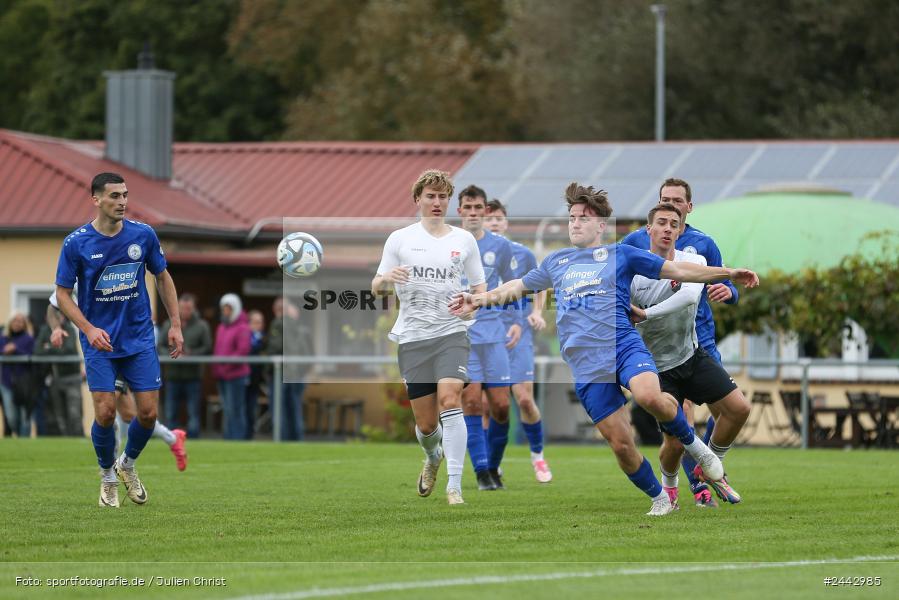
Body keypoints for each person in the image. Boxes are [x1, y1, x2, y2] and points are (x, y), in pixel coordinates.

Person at [450, 182, 759, 516]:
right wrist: (478, 298)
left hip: (623, 345)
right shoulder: (557, 261)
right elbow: (517, 286)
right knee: (622, 446)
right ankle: (660, 498)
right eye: (571, 217)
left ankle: (699, 450)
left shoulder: (621, 254)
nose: (575, 223)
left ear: (600, 225)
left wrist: (728, 273)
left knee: (649, 396)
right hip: (587, 365)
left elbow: (680, 269)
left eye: (583, 217)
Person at [54, 172, 184, 508]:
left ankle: (126, 465)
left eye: (125, 195)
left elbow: (162, 277)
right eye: (114, 196)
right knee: (106, 413)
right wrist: (88, 328)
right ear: (96, 199)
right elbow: (63, 295)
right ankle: (107, 477)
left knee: (148, 414)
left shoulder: (143, 235)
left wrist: (176, 324)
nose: (122, 201)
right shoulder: (77, 243)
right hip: (101, 342)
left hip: (139, 338)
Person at [621, 177, 739, 508]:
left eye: (677, 202)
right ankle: (697, 487)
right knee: (681, 421)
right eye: (664, 201)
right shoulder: (634, 241)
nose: (671, 206)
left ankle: (706, 466)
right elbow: (617, 281)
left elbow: (724, 280)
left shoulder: (702, 244)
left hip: (699, 339)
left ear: (689, 207)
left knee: (729, 411)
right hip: (659, 349)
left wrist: (729, 292)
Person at [372, 169, 486, 505]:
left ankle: (455, 486)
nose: (437, 202)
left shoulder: (464, 241)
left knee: (451, 399)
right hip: (413, 339)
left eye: (442, 197)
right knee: (425, 426)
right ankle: (432, 456)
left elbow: (479, 289)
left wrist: (472, 307)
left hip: (452, 333)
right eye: (431, 196)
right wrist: (386, 278)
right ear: (418, 199)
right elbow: (376, 288)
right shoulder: (399, 239)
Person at [48, 288, 187, 468]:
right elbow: (53, 306)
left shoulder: (123, 267)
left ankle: (113, 469)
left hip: (125, 347)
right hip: (98, 352)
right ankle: (173, 438)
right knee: (129, 415)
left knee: (108, 410)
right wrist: (56, 328)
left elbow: (159, 277)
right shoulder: (77, 269)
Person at [455, 185, 520, 491]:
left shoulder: (501, 246)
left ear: (485, 211)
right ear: (460, 211)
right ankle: (481, 471)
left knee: (501, 406)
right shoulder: (449, 245)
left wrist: (517, 321)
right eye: (467, 207)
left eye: (477, 207)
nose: (472, 213)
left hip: (494, 335)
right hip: (462, 336)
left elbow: (514, 286)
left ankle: (493, 465)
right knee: (470, 402)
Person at [483, 199, 552, 483]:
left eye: (498, 218)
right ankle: (490, 464)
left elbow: (541, 283)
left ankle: (538, 456)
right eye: (489, 218)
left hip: (519, 333)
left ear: (506, 223)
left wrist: (536, 312)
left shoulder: (521, 254)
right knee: (489, 407)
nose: (494, 222)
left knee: (524, 399)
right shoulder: (475, 254)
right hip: (488, 335)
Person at [158, 293, 211, 440]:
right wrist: (173, 354)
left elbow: (207, 348)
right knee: (170, 412)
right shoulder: (168, 325)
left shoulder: (202, 326)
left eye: (189, 308)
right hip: (172, 376)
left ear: (193, 309)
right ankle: (171, 439)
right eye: (183, 308)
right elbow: (160, 346)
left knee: (193, 411)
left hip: (193, 376)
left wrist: (192, 354)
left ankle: (193, 439)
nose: (186, 311)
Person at [266, 298, 311, 441]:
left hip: (282, 372)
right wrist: (302, 370)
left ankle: (281, 439)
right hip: (297, 374)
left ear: (276, 310)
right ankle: (297, 439)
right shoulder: (300, 327)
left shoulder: (278, 323)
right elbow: (307, 352)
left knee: (279, 409)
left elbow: (275, 347)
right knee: (295, 409)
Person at [35, 307, 83, 436]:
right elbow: (37, 351)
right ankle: (65, 442)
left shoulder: (70, 329)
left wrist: (49, 347)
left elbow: (68, 349)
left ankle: (78, 440)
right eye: (54, 317)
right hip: (55, 378)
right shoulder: (45, 330)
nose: (57, 319)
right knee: (59, 415)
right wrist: (55, 348)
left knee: (74, 414)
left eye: (60, 316)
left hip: (72, 377)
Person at [213, 293, 251, 440]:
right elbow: (218, 349)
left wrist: (226, 365)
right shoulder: (222, 327)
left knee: (235, 409)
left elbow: (243, 350)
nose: (225, 311)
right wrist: (218, 368)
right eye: (224, 308)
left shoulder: (242, 327)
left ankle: (237, 438)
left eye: (228, 308)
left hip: (236, 375)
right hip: (222, 375)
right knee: (228, 409)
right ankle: (229, 437)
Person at [1, 311, 36, 437]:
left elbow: (32, 355)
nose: (18, 323)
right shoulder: (3, 338)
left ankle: (24, 440)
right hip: (6, 382)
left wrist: (16, 350)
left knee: (25, 415)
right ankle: (18, 434)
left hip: (24, 382)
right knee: (11, 417)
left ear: (25, 324)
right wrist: (4, 351)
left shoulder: (29, 339)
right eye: (15, 320)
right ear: (10, 323)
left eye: (21, 321)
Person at [246, 309, 266, 440]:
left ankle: (249, 435)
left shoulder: (265, 339)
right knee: (241, 409)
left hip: (255, 381)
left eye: (260, 322)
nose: (258, 325)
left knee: (251, 408)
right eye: (255, 322)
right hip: (242, 378)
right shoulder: (244, 337)